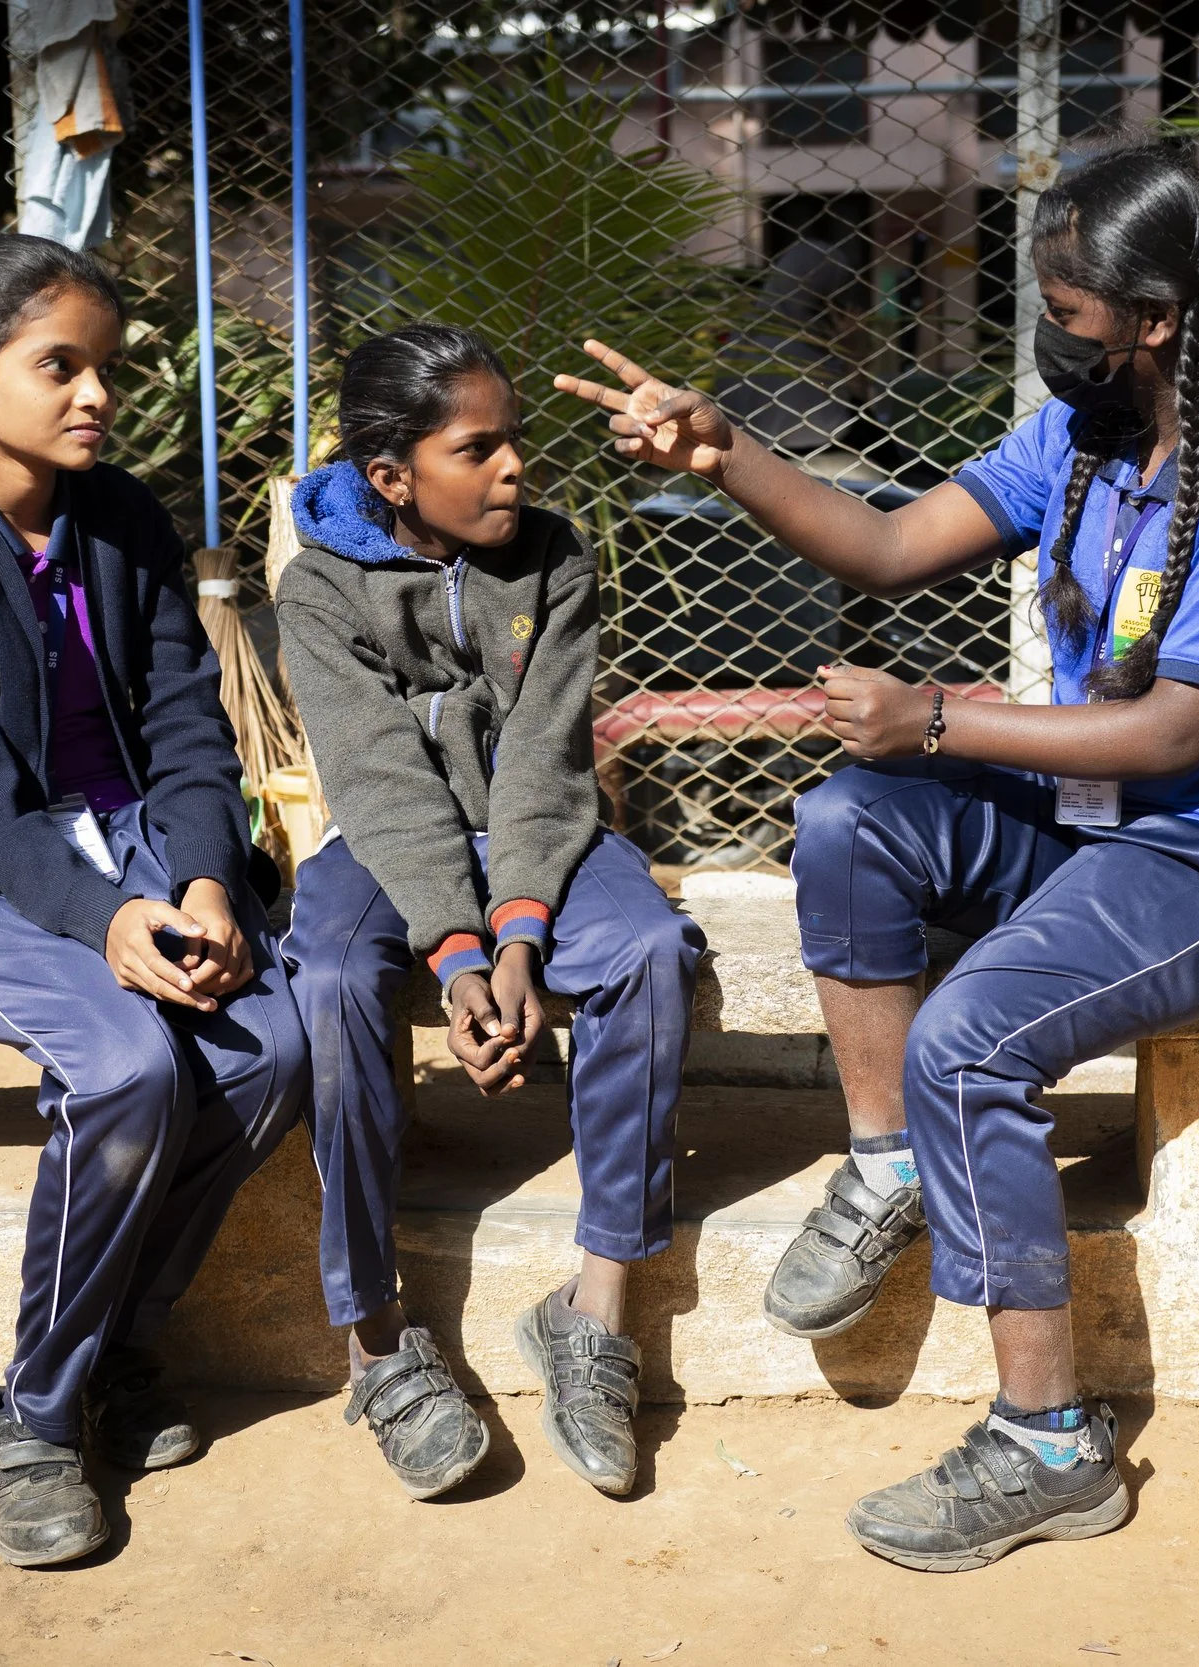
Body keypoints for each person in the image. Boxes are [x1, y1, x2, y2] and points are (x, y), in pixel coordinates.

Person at [557, 139, 1199, 1570]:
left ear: (1156, 320)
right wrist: (723, 449)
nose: (1051, 337)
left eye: (1069, 313)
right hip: (1091, 819)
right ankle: (888, 1168)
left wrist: (940, 716)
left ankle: (1052, 1441)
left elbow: (1180, 732)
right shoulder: (1089, 438)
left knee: (973, 1039)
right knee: (844, 822)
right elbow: (880, 548)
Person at [0, 232, 307, 1568]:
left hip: (144, 839)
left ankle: (117, 1351)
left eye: (104, 366)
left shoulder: (126, 519)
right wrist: (103, 923)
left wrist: (207, 875)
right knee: (129, 1067)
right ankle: (37, 1410)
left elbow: (191, 726)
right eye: (62, 366)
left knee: (278, 1050)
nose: (97, 393)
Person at [278, 323, 704, 1500]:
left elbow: (544, 761)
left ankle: (594, 1305)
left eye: (514, 438)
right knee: (327, 976)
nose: (516, 465)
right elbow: (377, 780)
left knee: (650, 948)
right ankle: (374, 1336)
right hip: (388, 840)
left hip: (539, 830)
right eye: (480, 448)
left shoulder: (553, 558)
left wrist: (519, 929)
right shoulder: (317, 587)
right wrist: (461, 960)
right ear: (392, 477)